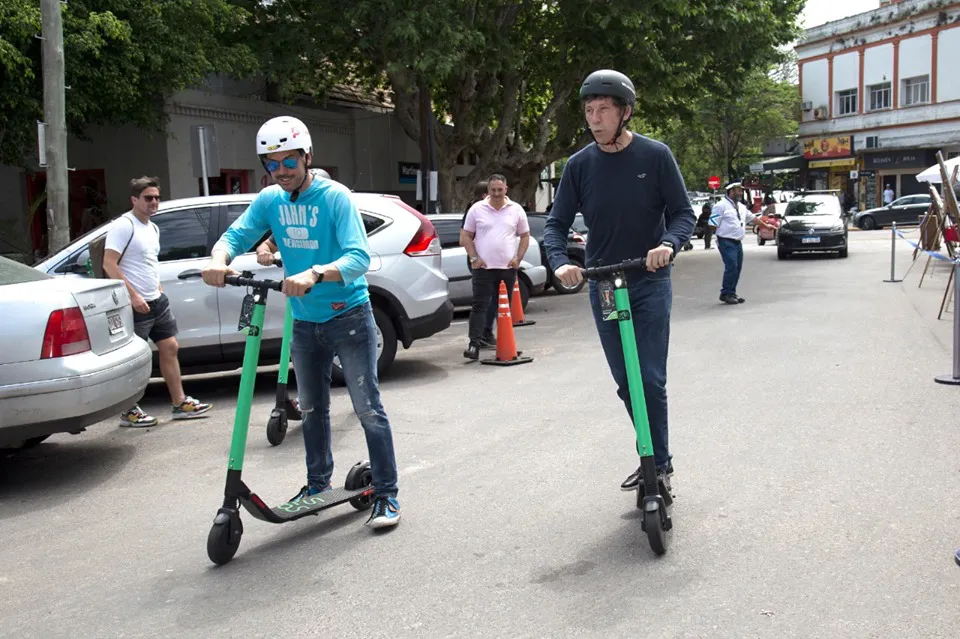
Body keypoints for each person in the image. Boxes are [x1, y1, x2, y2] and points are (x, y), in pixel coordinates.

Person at [201, 116, 401, 529]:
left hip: (348, 316)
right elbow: (236, 235)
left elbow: (359, 257)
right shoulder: (271, 200)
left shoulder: (334, 197)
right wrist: (218, 260)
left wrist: (315, 273)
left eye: (289, 160)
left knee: (368, 410)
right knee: (311, 408)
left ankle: (386, 494)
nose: (282, 171)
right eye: (272, 164)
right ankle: (316, 484)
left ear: (307, 156)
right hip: (305, 324)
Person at [543, 69, 695, 493]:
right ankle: (650, 454)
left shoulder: (656, 155)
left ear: (624, 112)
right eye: (589, 110)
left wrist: (668, 243)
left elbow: (684, 213)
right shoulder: (579, 165)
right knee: (627, 381)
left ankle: (658, 463)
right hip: (605, 284)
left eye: (603, 109)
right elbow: (555, 225)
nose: (594, 118)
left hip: (648, 279)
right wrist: (558, 263)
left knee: (649, 377)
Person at [103, 177, 212, 426]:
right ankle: (129, 411)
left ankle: (180, 403)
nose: (153, 202)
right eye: (148, 198)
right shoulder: (124, 226)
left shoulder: (152, 227)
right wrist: (133, 295)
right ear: (134, 200)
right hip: (136, 304)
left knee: (170, 347)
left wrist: (158, 286)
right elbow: (109, 263)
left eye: (156, 198)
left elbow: (147, 262)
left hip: (156, 300)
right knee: (135, 359)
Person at [459, 174, 531, 360]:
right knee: (479, 306)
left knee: (503, 309)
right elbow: (466, 236)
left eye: (500, 190)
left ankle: (507, 345)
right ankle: (474, 345)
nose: (497, 194)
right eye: (493, 190)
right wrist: (474, 257)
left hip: (507, 268)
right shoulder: (477, 209)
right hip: (483, 269)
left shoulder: (516, 210)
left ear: (506, 189)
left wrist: (518, 258)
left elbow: (525, 236)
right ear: (488, 191)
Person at [708, 180, 777, 305]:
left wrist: (766, 226)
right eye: (738, 190)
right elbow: (712, 224)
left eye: (741, 190)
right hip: (726, 241)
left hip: (737, 241)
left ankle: (731, 292)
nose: (741, 193)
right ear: (730, 191)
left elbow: (753, 218)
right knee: (732, 266)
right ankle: (726, 293)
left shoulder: (741, 206)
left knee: (737, 267)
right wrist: (720, 236)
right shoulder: (720, 206)